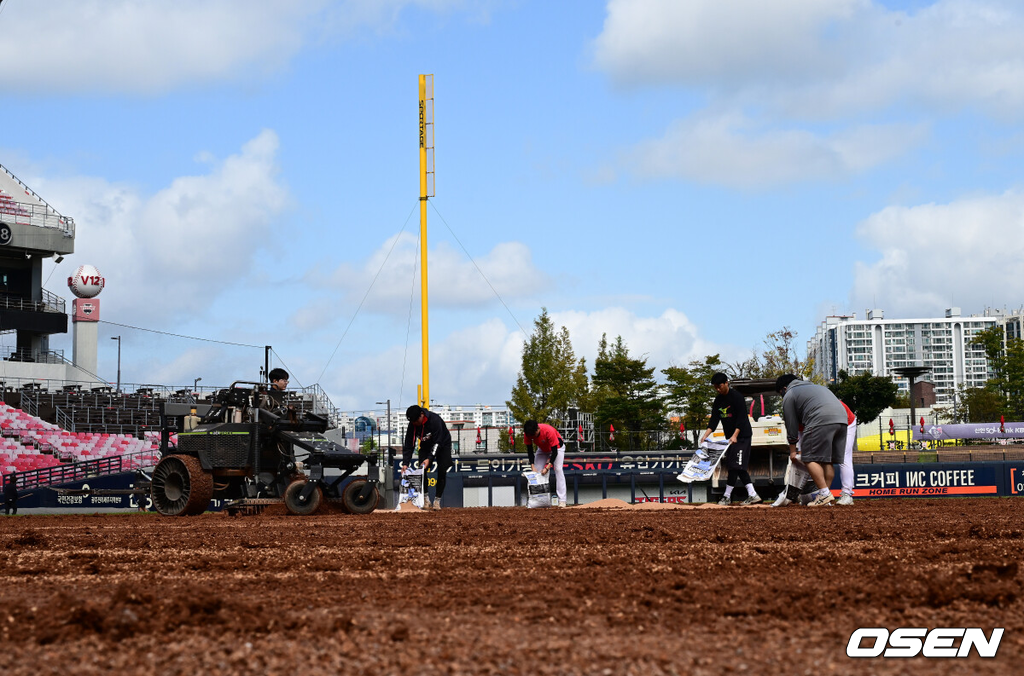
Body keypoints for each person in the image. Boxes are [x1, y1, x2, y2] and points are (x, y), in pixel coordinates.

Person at [775, 374, 848, 507]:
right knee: (827, 460)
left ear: (784, 388)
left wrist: (793, 451)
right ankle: (824, 495)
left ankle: (825, 494)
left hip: (820, 420)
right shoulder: (816, 387)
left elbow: (791, 426)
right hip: (842, 420)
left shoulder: (790, 394)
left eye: (781, 393)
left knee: (808, 458)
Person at [699, 372, 761, 505]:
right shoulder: (718, 400)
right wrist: (705, 435)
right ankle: (730, 496)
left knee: (737, 465)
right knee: (732, 466)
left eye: (719, 386)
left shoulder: (737, 397)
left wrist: (734, 435)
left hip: (742, 436)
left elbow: (742, 418)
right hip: (730, 438)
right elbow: (714, 420)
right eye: (715, 387)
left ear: (726, 383)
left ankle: (749, 494)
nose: (717, 389)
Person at [402, 405, 452, 510]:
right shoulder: (413, 424)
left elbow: (438, 443)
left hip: (442, 444)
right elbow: (409, 445)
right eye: (412, 422)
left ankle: (437, 501)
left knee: (442, 470)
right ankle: (426, 500)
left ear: (422, 415)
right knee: (421, 470)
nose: (414, 423)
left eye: (416, 420)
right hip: (426, 445)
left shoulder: (435, 420)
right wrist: (405, 463)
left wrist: (429, 458)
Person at [523, 420, 567, 508]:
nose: (532, 438)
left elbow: (554, 452)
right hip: (543, 449)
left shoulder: (548, 430)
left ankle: (562, 500)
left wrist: (547, 467)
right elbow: (530, 450)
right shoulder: (528, 433)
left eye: (533, 435)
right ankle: (539, 500)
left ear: (538, 429)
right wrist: (532, 465)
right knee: (537, 470)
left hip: (557, 448)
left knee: (558, 469)